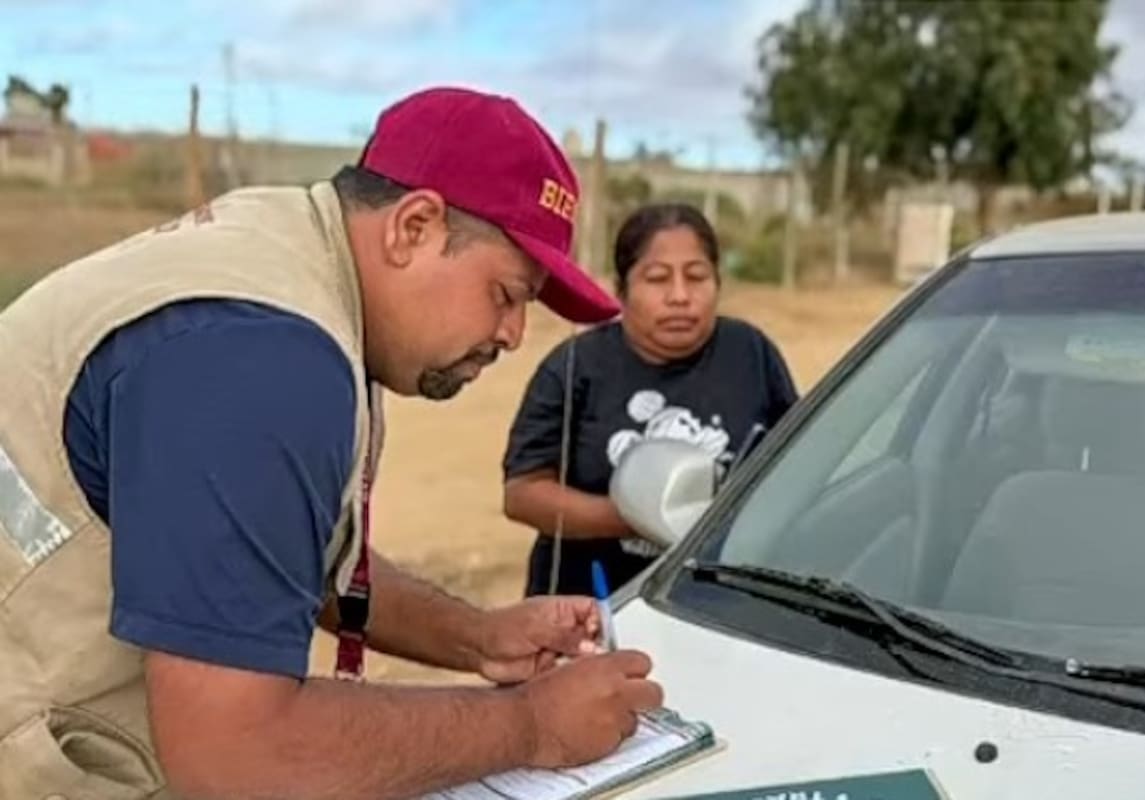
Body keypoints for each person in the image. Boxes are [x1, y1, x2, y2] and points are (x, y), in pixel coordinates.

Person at [0, 86, 665, 800]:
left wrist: (478, 636)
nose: (511, 335)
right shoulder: (263, 357)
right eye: (506, 295)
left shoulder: (285, 250)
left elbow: (262, 557)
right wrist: (532, 726)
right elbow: (236, 756)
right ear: (414, 227)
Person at [502, 203, 800, 597]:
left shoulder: (750, 353)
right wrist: (639, 518)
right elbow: (523, 494)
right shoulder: (574, 367)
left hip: (715, 607)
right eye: (657, 279)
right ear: (621, 289)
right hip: (590, 610)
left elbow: (796, 465)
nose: (680, 296)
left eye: (696, 277)